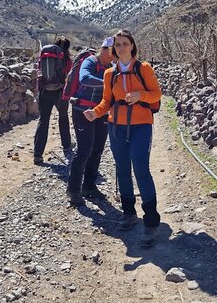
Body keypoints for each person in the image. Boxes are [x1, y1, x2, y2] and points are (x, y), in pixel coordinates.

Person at [84, 30, 162, 246]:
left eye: (124, 43)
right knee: (122, 169)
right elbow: (106, 101)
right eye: (117, 45)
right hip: (116, 127)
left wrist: (140, 96)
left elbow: (156, 94)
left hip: (141, 126)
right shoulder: (110, 73)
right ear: (113, 49)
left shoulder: (143, 68)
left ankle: (151, 221)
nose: (121, 48)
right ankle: (129, 213)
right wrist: (95, 113)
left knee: (141, 169)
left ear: (132, 46)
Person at [66, 37, 115, 206]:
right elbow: (84, 78)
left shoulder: (111, 67)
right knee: (84, 150)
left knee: (98, 149)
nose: (113, 56)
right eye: (111, 52)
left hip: (101, 112)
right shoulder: (90, 61)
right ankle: (73, 189)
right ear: (104, 49)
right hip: (83, 111)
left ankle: (89, 186)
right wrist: (108, 84)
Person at [33, 36, 72, 165]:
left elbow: (39, 72)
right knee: (63, 117)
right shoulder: (66, 59)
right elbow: (69, 74)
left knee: (43, 121)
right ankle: (66, 146)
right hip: (60, 92)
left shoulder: (44, 56)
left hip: (44, 92)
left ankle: (38, 155)